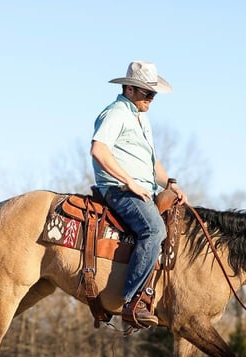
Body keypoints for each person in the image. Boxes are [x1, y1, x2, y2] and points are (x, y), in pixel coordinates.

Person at [91, 60, 187, 328]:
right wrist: (130, 182)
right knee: (155, 231)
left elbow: (151, 162)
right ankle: (133, 301)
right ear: (130, 89)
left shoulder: (141, 117)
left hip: (146, 188)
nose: (151, 99)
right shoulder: (115, 114)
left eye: (154, 94)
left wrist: (171, 183)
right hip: (119, 190)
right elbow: (99, 150)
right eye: (147, 93)